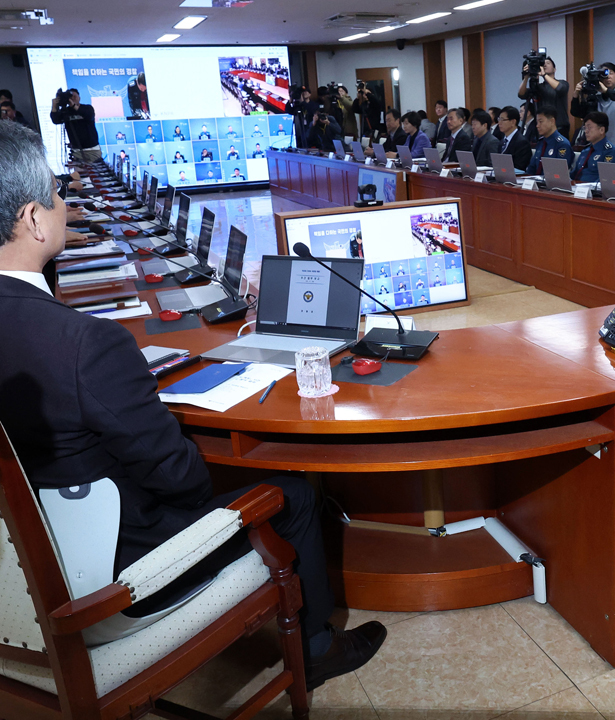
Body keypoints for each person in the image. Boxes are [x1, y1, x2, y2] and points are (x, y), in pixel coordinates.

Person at [0, 120, 388, 692]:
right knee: (294, 495)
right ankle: (317, 649)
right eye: (57, 195)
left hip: (22, 585)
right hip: (109, 582)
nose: (64, 205)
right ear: (33, 218)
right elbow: (181, 480)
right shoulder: (86, 346)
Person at [571, 62, 615, 151]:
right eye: (604, 74)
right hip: (602, 147)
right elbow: (577, 113)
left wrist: (605, 90)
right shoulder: (596, 97)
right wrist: (576, 95)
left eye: (611, 73)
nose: (608, 76)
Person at [518, 54, 571, 138]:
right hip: (542, 127)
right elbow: (521, 94)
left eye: (548, 63)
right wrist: (526, 77)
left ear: (554, 69)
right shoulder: (539, 87)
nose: (545, 65)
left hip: (559, 127)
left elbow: (560, 89)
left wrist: (544, 75)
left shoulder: (563, 83)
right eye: (543, 64)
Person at [49, 89, 101, 162]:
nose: (73, 98)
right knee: (80, 172)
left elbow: (88, 115)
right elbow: (56, 120)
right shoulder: (65, 112)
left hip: (92, 149)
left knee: (95, 172)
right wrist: (54, 106)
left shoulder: (87, 108)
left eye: (75, 96)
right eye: (71, 96)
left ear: (79, 97)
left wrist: (73, 105)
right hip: (77, 151)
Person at [571, 112, 615, 182]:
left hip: (596, 191)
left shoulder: (610, 151)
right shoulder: (585, 151)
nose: (586, 131)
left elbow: (608, 179)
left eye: (589, 128)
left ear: (601, 130)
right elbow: (574, 174)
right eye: (585, 128)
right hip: (578, 189)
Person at [526, 107, 574, 174]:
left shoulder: (562, 144)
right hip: (536, 181)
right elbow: (532, 167)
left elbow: (560, 172)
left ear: (552, 121)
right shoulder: (541, 142)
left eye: (540, 122)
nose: (537, 126)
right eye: (537, 122)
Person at [496, 106, 532, 170]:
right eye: (499, 119)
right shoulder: (502, 141)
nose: (499, 123)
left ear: (513, 122)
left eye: (503, 120)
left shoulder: (522, 142)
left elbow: (520, 167)